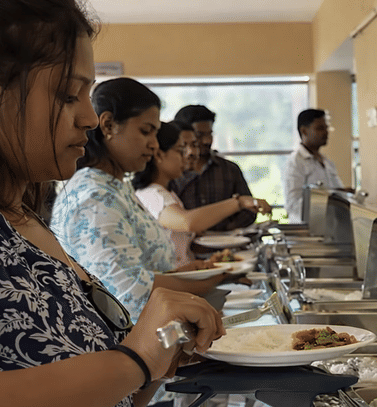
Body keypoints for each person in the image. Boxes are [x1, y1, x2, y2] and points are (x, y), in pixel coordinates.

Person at [0, 0, 224, 407]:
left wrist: (152, 366)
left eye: (89, 94)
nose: (86, 117)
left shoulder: (22, 221)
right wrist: (133, 359)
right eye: (65, 95)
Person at [51, 78, 226, 323]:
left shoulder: (113, 187)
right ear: (109, 125)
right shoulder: (95, 197)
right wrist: (210, 282)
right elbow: (128, 293)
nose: (154, 145)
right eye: (146, 131)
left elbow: (134, 271)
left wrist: (184, 274)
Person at [132, 121, 268, 265]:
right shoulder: (151, 195)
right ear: (159, 155)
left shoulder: (166, 193)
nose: (186, 157)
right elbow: (188, 222)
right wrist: (238, 202)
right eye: (180, 151)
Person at [169, 105, 271, 231]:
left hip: (227, 245)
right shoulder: (170, 174)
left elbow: (249, 210)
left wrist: (226, 231)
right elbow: (180, 220)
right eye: (199, 135)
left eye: (210, 134)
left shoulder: (229, 169)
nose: (207, 141)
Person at [283, 108, 352, 223]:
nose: (326, 132)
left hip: (330, 228)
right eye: (320, 128)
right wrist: (328, 197)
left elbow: (338, 193)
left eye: (326, 127)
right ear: (304, 131)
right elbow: (293, 205)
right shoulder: (295, 163)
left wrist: (343, 193)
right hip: (307, 232)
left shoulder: (326, 162)